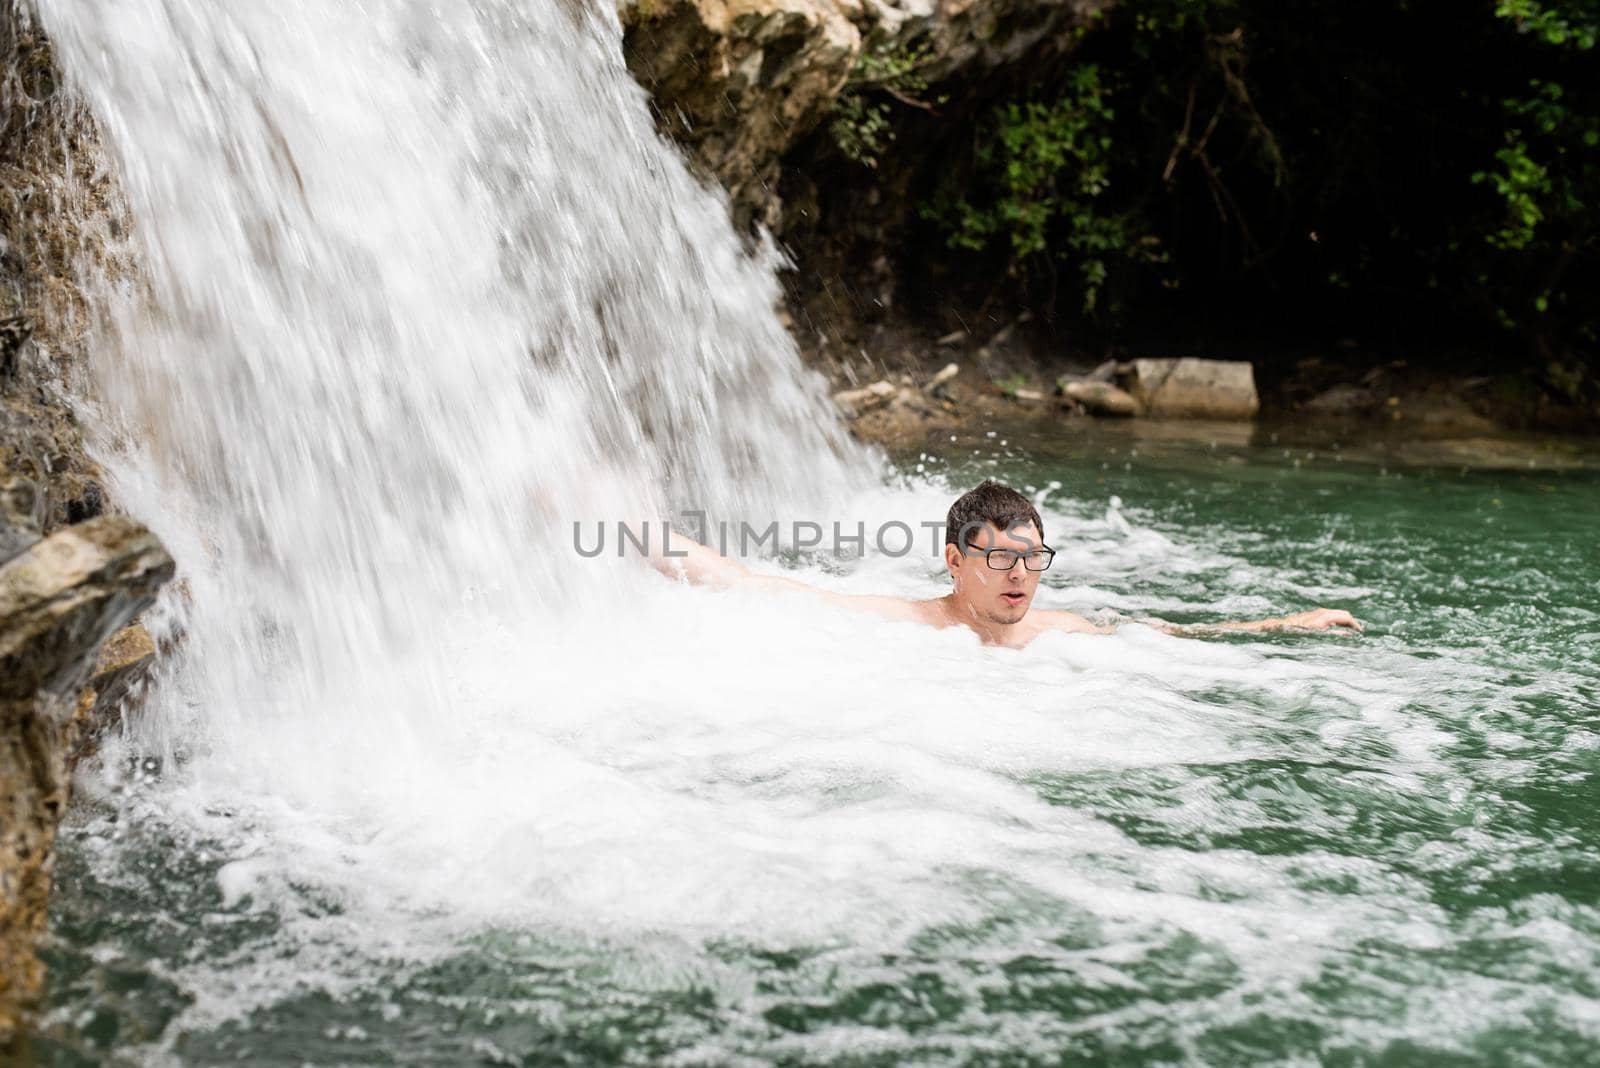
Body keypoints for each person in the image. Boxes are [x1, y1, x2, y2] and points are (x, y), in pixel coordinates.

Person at [648, 480, 1362, 648]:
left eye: (1033, 560)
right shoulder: (907, 624)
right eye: (1000, 560)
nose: (1020, 576)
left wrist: (1290, 624)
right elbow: (748, 586)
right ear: (955, 562)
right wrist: (627, 532)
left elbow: (1174, 636)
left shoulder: (1059, 631)